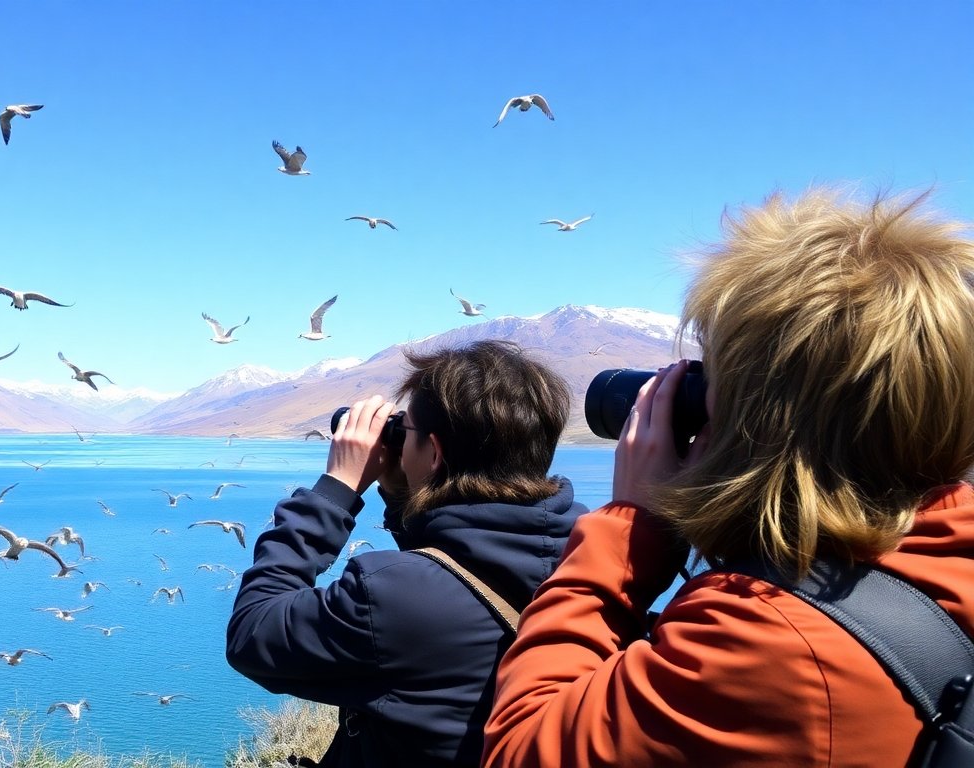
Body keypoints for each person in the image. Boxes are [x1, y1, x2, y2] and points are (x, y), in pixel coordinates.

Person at [483, 190, 974, 767]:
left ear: (757, 416)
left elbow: (521, 747)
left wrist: (628, 526)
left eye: (709, 375)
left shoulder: (763, 642)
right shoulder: (949, 559)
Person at [225, 340, 586, 767]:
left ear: (434, 452)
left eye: (405, 430)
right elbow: (461, 574)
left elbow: (253, 634)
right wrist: (404, 498)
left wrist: (335, 491)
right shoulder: (592, 560)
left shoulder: (387, 595)